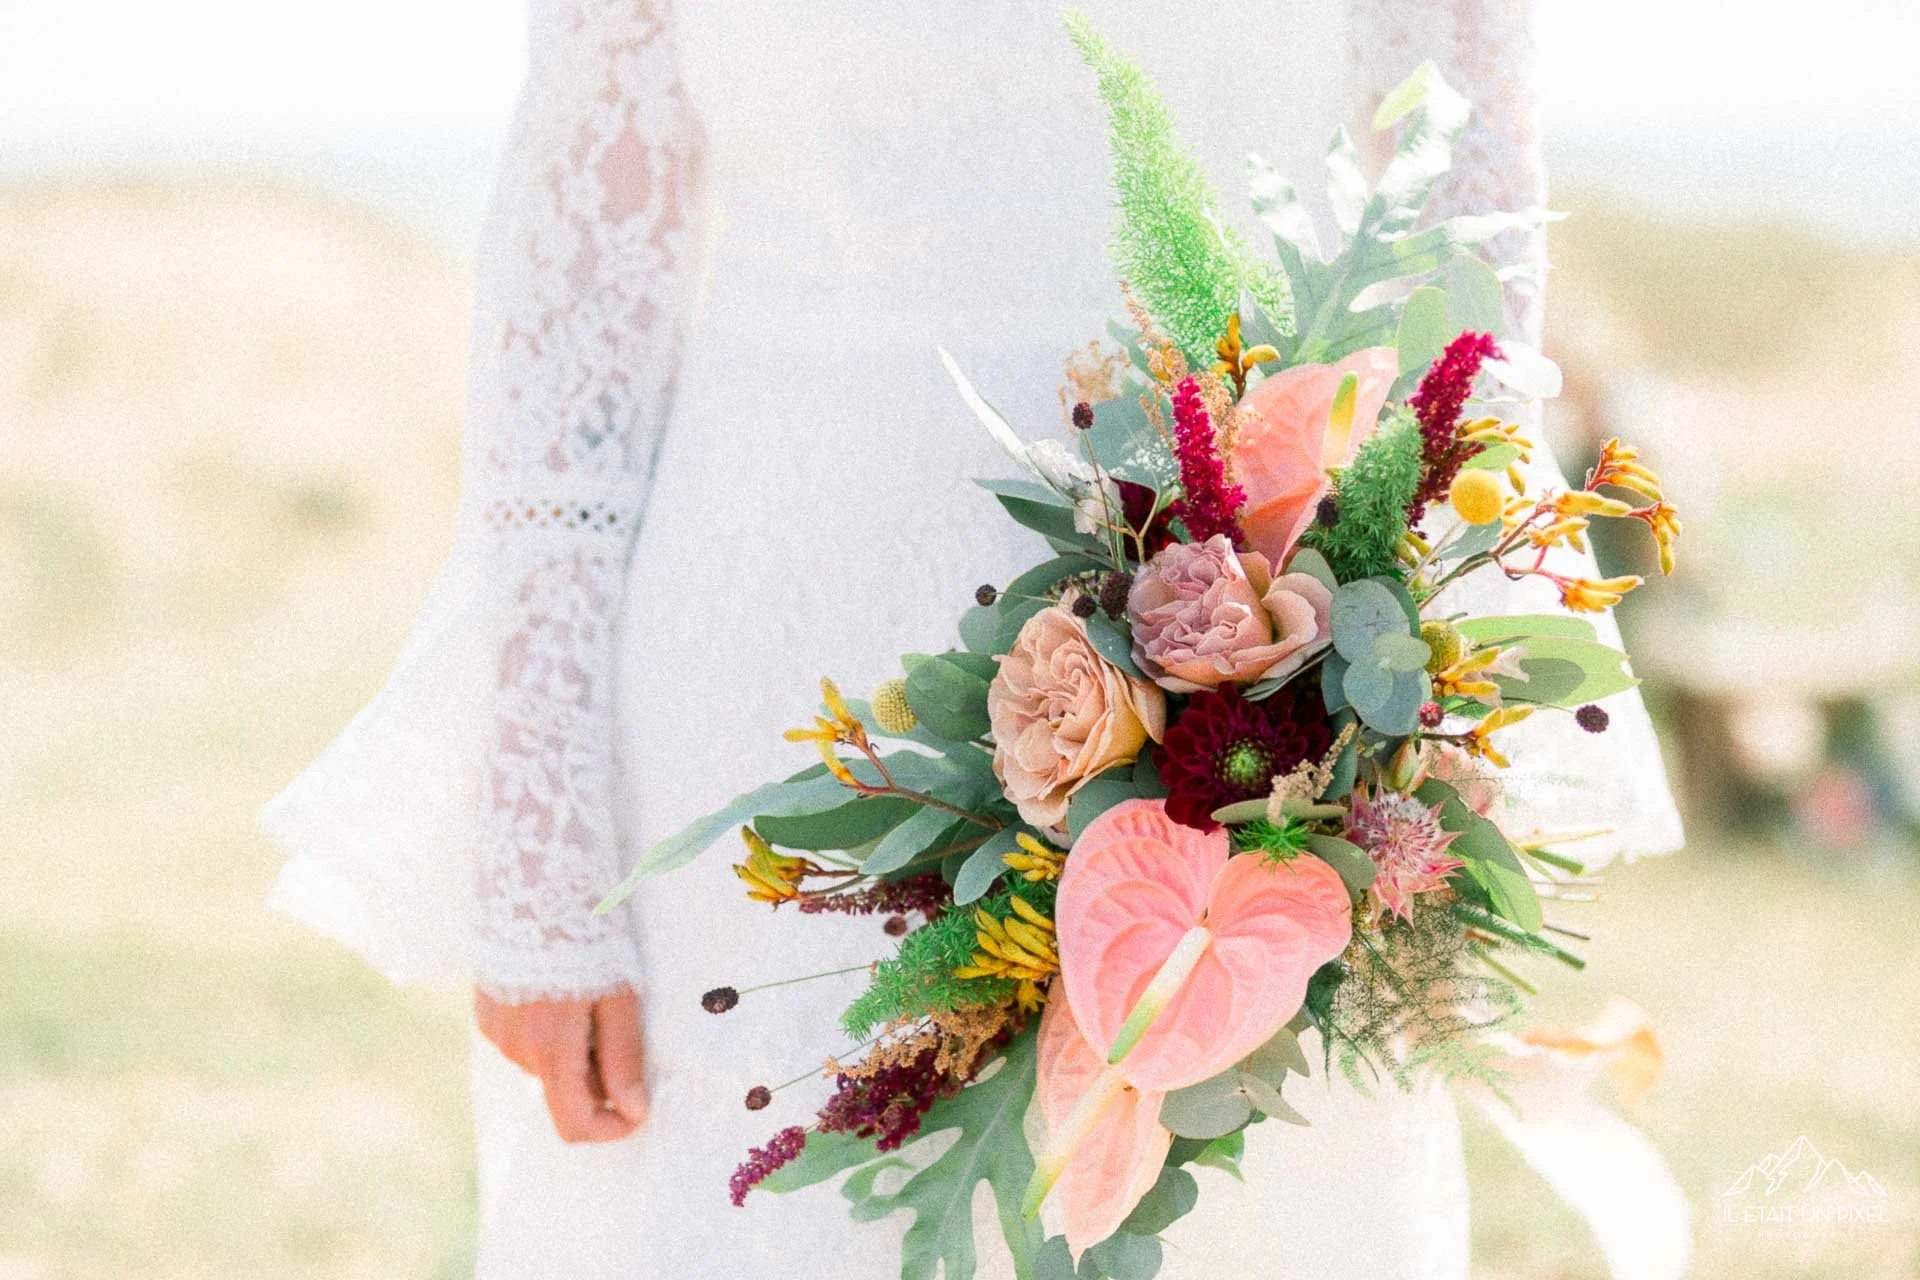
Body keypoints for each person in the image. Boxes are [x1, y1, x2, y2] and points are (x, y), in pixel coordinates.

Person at [262, 1, 1683, 1274]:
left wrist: (1413, 604)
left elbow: (1468, 201)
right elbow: (581, 292)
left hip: (1252, 639)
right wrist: (544, 837)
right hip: (768, 669)